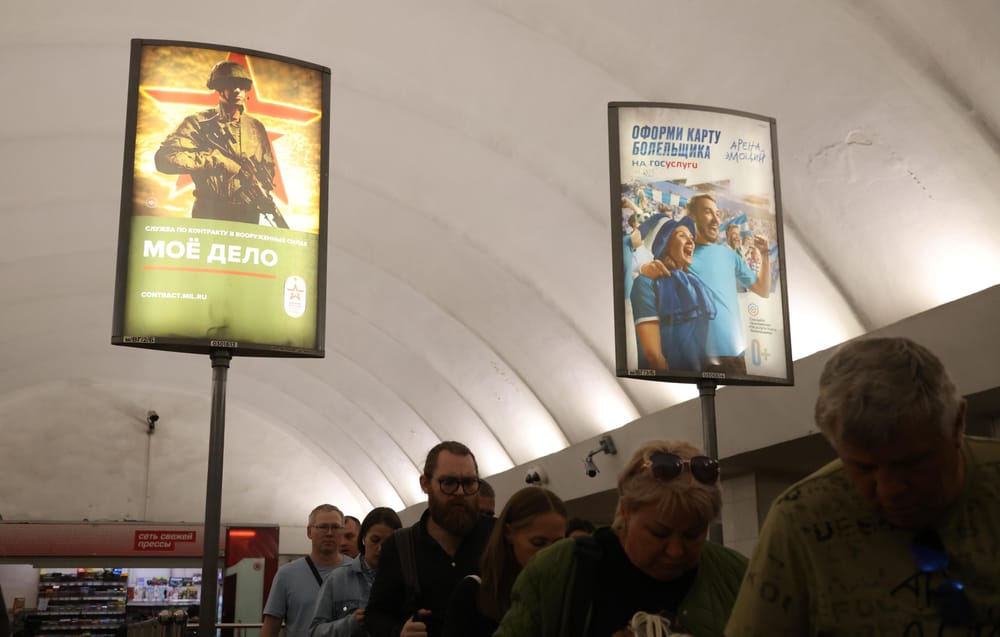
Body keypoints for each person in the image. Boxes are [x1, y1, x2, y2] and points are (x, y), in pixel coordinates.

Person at [725, 337, 1000, 635]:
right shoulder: (801, 520)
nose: (889, 488)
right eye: (864, 468)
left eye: (911, 463)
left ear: (958, 423)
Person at [495, 440, 748, 636]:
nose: (675, 551)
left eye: (693, 535)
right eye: (659, 533)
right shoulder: (559, 570)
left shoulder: (737, 576)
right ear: (626, 511)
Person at [365, 441, 494, 637]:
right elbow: (376, 614)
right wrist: (398, 632)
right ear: (425, 484)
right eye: (448, 483)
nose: (460, 492)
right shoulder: (401, 546)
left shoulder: (498, 535)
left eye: (469, 483)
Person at [641, 195, 770, 375]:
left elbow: (763, 290)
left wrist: (764, 255)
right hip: (697, 361)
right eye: (708, 212)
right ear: (692, 217)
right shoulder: (679, 255)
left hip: (738, 356)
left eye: (717, 213)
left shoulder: (729, 255)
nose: (717, 219)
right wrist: (645, 269)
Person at [154, 60, 284, 227]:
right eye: (230, 84)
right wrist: (216, 160)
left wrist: (261, 190)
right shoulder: (198, 123)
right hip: (210, 211)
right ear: (219, 88)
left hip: (247, 213)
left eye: (241, 85)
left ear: (246, 89)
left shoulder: (256, 127)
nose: (237, 90)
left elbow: (267, 167)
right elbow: (164, 159)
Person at [442, 487, 568, 637]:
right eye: (538, 543)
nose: (548, 554)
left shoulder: (568, 590)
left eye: (558, 545)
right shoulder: (473, 593)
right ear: (509, 533)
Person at [631, 216, 717, 371]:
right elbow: (653, 355)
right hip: (662, 384)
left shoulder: (696, 284)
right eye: (682, 235)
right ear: (665, 246)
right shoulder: (645, 284)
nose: (691, 242)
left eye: (691, 237)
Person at [262, 505, 352, 637]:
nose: (329, 533)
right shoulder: (287, 574)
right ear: (309, 532)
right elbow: (270, 628)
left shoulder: (356, 570)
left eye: (335, 527)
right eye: (323, 527)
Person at [311, 507, 403, 637]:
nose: (381, 548)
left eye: (388, 542)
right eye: (375, 540)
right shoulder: (338, 579)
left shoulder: (406, 579)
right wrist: (350, 623)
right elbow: (315, 632)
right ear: (364, 538)